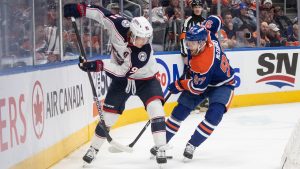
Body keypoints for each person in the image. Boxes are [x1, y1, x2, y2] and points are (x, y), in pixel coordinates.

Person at [63, 3, 168, 166]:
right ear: (132, 34)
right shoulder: (119, 25)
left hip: (146, 79)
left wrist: (98, 65)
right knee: (108, 118)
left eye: (147, 38)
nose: (144, 41)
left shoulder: (142, 53)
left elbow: (122, 71)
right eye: (141, 38)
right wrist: (81, 10)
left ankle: (161, 147)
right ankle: (94, 149)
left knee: (156, 109)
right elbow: (101, 14)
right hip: (122, 82)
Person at [153, 24, 236, 160]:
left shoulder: (203, 62)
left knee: (214, 115)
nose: (188, 45)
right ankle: (161, 143)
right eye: (188, 41)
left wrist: (180, 84)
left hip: (222, 84)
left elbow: (197, 88)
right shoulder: (207, 35)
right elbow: (215, 20)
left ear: (202, 43)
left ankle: (192, 144)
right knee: (179, 111)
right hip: (202, 80)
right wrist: (205, 24)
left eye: (191, 42)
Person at [180, 0, 208, 112]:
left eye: (199, 7)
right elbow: (182, 38)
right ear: (192, 8)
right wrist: (184, 54)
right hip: (191, 54)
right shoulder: (188, 21)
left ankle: (203, 102)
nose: (197, 9)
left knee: (203, 77)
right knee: (191, 78)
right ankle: (191, 103)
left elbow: (208, 39)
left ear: (202, 8)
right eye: (195, 6)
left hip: (202, 55)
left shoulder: (205, 22)